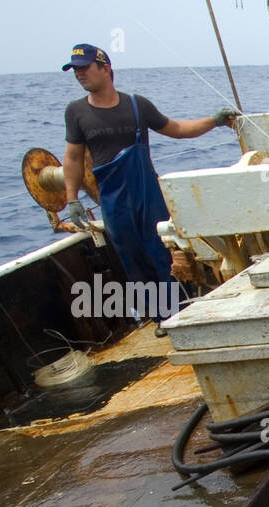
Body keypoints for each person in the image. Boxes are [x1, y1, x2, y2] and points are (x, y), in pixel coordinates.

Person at [61, 43, 238, 331]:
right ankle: (162, 318)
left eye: (84, 68)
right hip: (113, 200)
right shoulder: (77, 112)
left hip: (148, 194)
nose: (79, 75)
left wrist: (215, 121)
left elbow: (178, 130)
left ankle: (181, 312)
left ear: (106, 69)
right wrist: (72, 200)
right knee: (133, 260)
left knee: (163, 252)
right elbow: (73, 157)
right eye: (75, 70)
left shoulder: (136, 105)